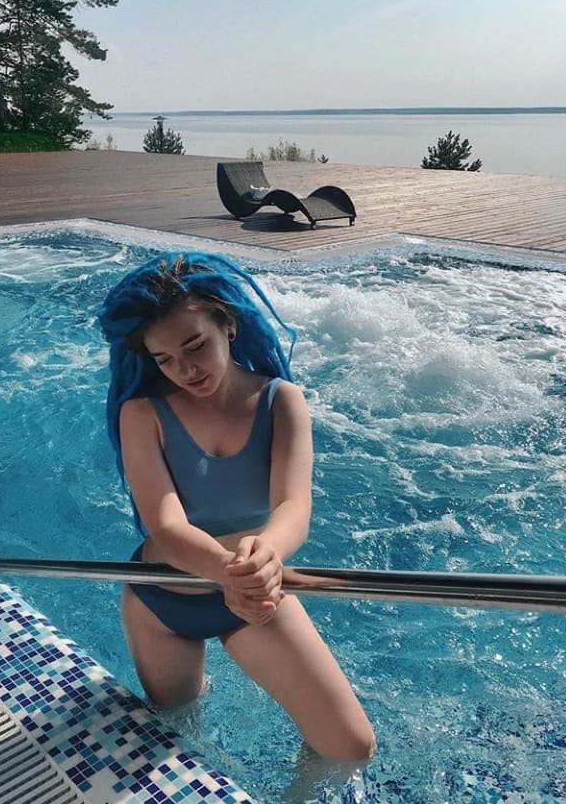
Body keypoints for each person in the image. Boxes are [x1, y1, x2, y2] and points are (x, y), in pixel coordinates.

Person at [98, 250, 375, 775]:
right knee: (174, 735)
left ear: (227, 323)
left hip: (253, 591)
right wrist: (233, 573)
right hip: (163, 599)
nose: (185, 370)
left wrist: (265, 555)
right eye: (165, 359)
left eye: (195, 346)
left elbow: (294, 505)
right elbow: (166, 526)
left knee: (349, 745)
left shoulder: (281, 400)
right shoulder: (143, 413)